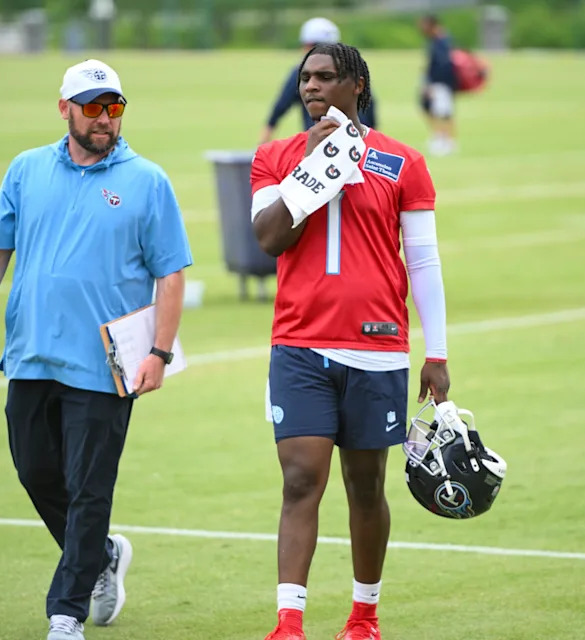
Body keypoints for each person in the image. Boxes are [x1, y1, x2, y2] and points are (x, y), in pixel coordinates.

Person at [0, 59, 193, 640]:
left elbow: (171, 274)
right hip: (33, 354)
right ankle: (102, 555)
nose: (104, 119)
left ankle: (66, 614)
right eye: (91, 107)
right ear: (64, 108)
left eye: (113, 107)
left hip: (108, 367)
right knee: (36, 470)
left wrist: (159, 354)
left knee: (91, 487)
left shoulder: (147, 180)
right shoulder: (26, 169)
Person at [250, 43, 451, 640]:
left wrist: (436, 353)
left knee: (366, 487)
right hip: (300, 345)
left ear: (356, 84)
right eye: (305, 78)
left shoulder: (403, 162)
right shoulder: (273, 157)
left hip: (378, 349)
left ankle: (364, 616)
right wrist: (311, 168)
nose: (310, 87)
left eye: (325, 77)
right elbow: (267, 238)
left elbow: (424, 262)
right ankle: (289, 622)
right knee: (300, 479)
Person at [259, 17, 377, 145]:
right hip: (359, 146)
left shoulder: (299, 73)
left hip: (319, 146)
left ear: (308, 46)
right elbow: (371, 116)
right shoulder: (354, 74)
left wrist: (262, 144)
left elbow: (279, 109)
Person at [418, 14, 458, 156]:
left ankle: (446, 141)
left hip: (441, 83)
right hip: (439, 83)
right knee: (435, 111)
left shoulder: (442, 42)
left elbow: (442, 66)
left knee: (443, 113)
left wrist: (432, 84)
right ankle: (440, 138)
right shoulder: (437, 41)